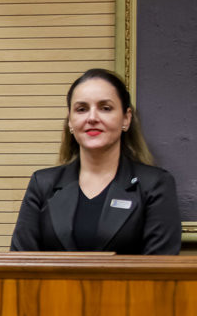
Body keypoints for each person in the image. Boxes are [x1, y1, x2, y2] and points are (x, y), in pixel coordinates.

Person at [10, 68, 180, 254]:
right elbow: (20, 266)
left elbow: (160, 274)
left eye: (105, 108)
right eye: (81, 109)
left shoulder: (155, 185)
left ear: (126, 118)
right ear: (70, 121)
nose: (92, 118)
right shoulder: (42, 184)